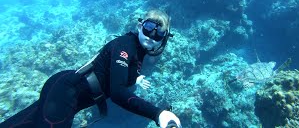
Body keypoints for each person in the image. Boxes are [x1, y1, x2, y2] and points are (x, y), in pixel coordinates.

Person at [0, 9, 182, 128]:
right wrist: (157, 114)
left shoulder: (138, 50)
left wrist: (135, 78)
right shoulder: (125, 45)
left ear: (164, 39)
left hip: (64, 88)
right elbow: (117, 92)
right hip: (65, 95)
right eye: (149, 27)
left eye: (158, 33)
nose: (151, 35)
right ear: (139, 25)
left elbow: (118, 71)